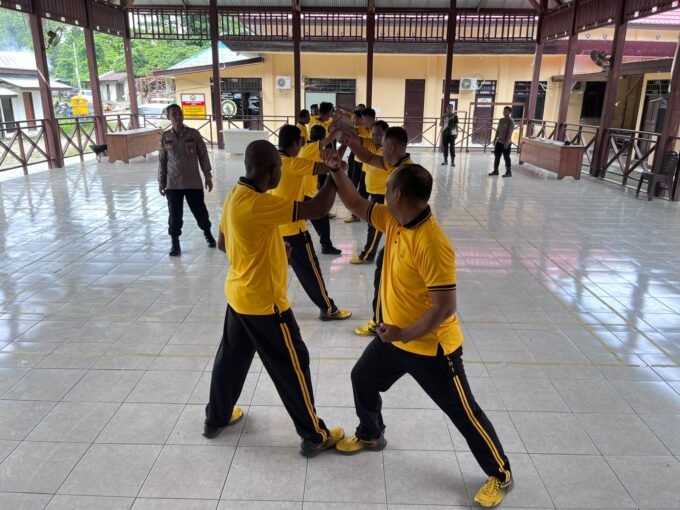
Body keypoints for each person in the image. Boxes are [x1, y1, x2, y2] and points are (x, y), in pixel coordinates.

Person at [328, 162, 513, 508]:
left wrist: (404, 333)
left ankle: (501, 473)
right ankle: (371, 434)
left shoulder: (433, 243)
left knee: (464, 412)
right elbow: (355, 203)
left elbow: (445, 308)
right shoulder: (393, 219)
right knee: (362, 378)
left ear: (397, 193)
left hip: (432, 348)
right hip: (394, 339)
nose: (382, 193)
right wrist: (336, 169)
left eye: (386, 188)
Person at [204, 140, 345, 457]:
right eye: (280, 167)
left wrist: (272, 251)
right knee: (294, 366)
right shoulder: (259, 203)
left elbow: (224, 244)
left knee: (230, 360)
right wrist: (335, 173)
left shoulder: (235, 196)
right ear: (270, 170)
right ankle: (315, 435)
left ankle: (216, 418)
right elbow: (317, 209)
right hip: (266, 305)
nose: (282, 171)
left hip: (239, 295)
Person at [336, 126, 413, 337]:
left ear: (392, 147)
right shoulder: (398, 164)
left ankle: (380, 322)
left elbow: (355, 203)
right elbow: (369, 158)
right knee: (383, 270)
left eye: (383, 144)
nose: (380, 148)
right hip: (397, 233)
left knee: (385, 275)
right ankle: (385, 317)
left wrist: (336, 172)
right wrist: (351, 143)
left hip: (403, 238)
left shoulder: (404, 174)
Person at [274, 124, 352, 321]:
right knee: (310, 270)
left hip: (274, 227)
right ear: (295, 144)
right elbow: (327, 168)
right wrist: (340, 166)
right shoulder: (293, 163)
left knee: (278, 268)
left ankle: (276, 302)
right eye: (299, 143)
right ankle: (328, 309)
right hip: (293, 228)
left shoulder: (274, 161)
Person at [158, 104, 217, 257]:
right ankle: (175, 243)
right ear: (168, 117)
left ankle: (208, 234)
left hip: (193, 182)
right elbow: (162, 161)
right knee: (174, 215)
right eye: (174, 114)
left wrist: (208, 176)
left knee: (200, 211)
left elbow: (203, 155)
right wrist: (161, 182)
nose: (178, 116)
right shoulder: (165, 137)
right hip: (173, 183)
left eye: (180, 113)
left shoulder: (193, 134)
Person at [302, 125, 342, 255]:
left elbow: (332, 160)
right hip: (305, 193)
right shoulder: (311, 148)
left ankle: (326, 245)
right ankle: (326, 245)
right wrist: (339, 128)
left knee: (308, 222)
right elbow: (329, 141)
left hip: (307, 192)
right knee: (321, 218)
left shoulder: (310, 148)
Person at [489, 106, 514, 178]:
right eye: (504, 111)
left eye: (506, 111)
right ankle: (495, 171)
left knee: (506, 157)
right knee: (497, 156)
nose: (504, 112)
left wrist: (506, 142)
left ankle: (508, 172)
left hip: (506, 142)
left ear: (509, 112)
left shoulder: (511, 121)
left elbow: (510, 133)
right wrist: (495, 139)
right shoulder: (501, 120)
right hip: (499, 141)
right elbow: (498, 130)